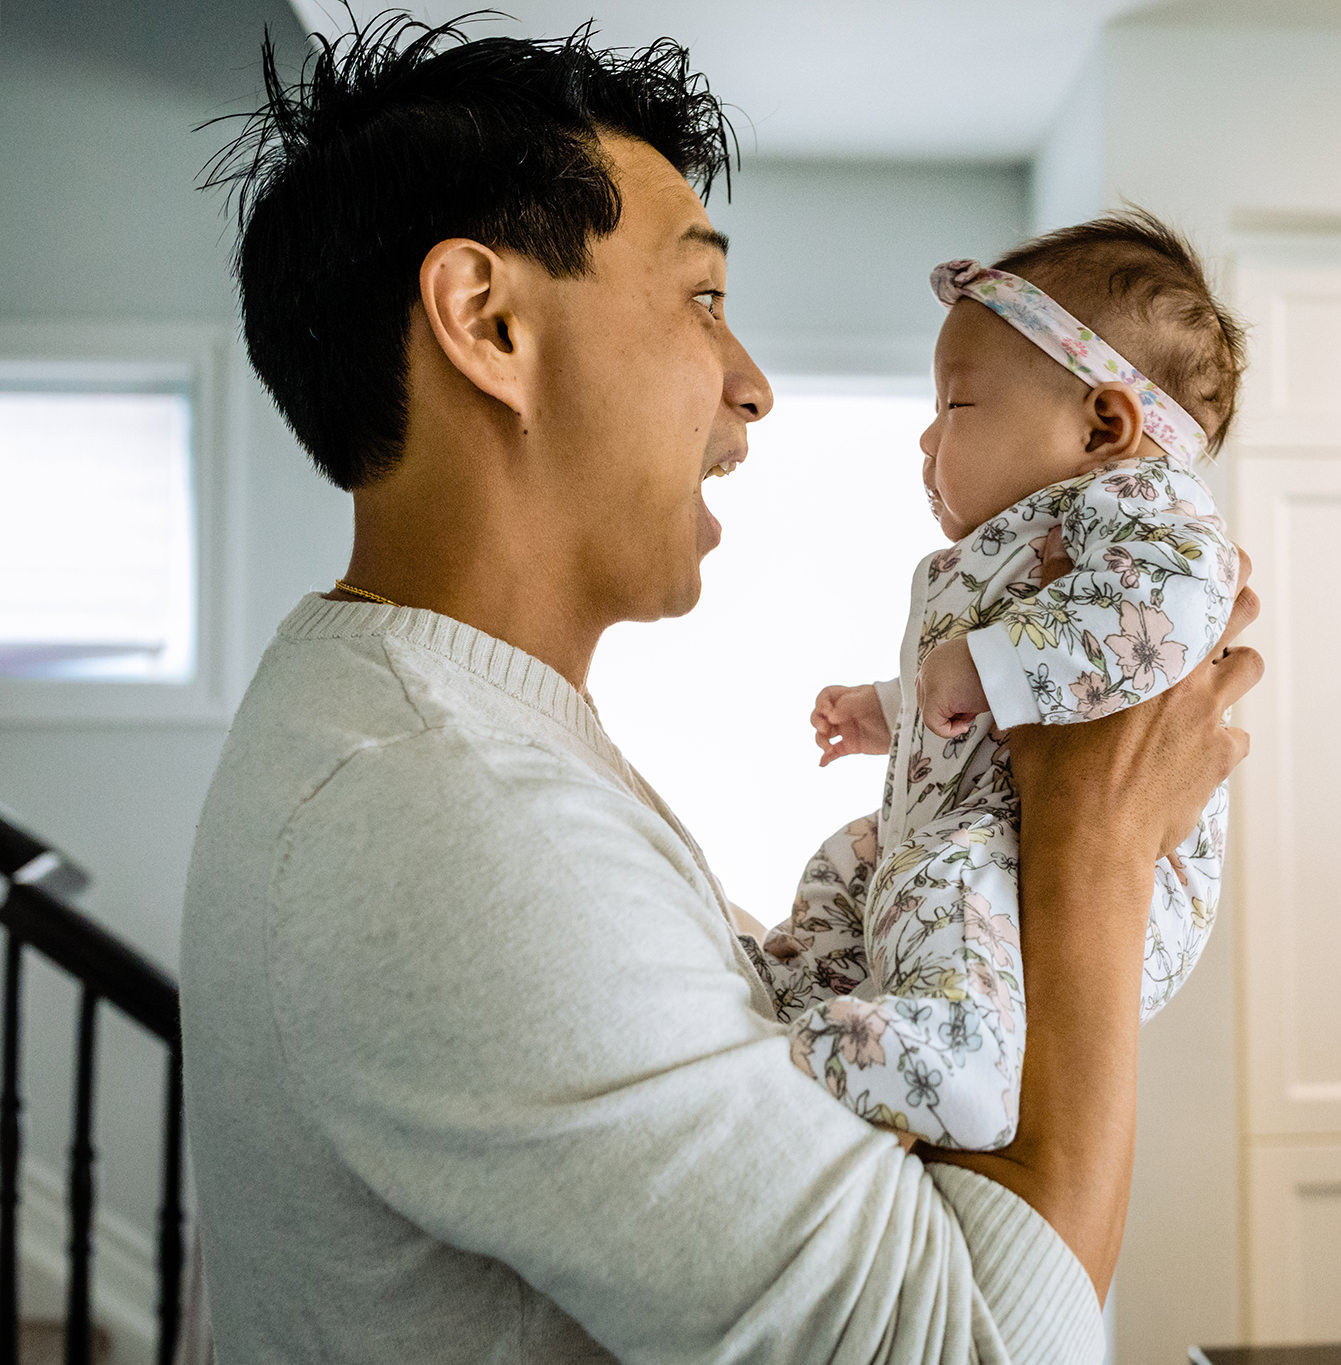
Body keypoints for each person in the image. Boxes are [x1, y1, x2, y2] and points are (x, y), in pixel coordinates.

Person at [179, 15, 1260, 1363]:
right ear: (488, 321)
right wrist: (1094, 856)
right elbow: (976, 1352)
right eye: (701, 298)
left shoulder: (430, 732)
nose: (751, 384)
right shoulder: (452, 822)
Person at [755, 215, 1243, 1152]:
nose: (927, 437)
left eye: (958, 407)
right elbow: (967, 688)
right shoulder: (1023, 540)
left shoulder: (1144, 504)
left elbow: (1170, 613)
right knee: (851, 860)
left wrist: (985, 666)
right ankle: (811, 987)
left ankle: (966, 1057)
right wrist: (888, 709)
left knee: (941, 877)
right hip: (975, 832)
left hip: (1073, 871)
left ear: (1104, 424)